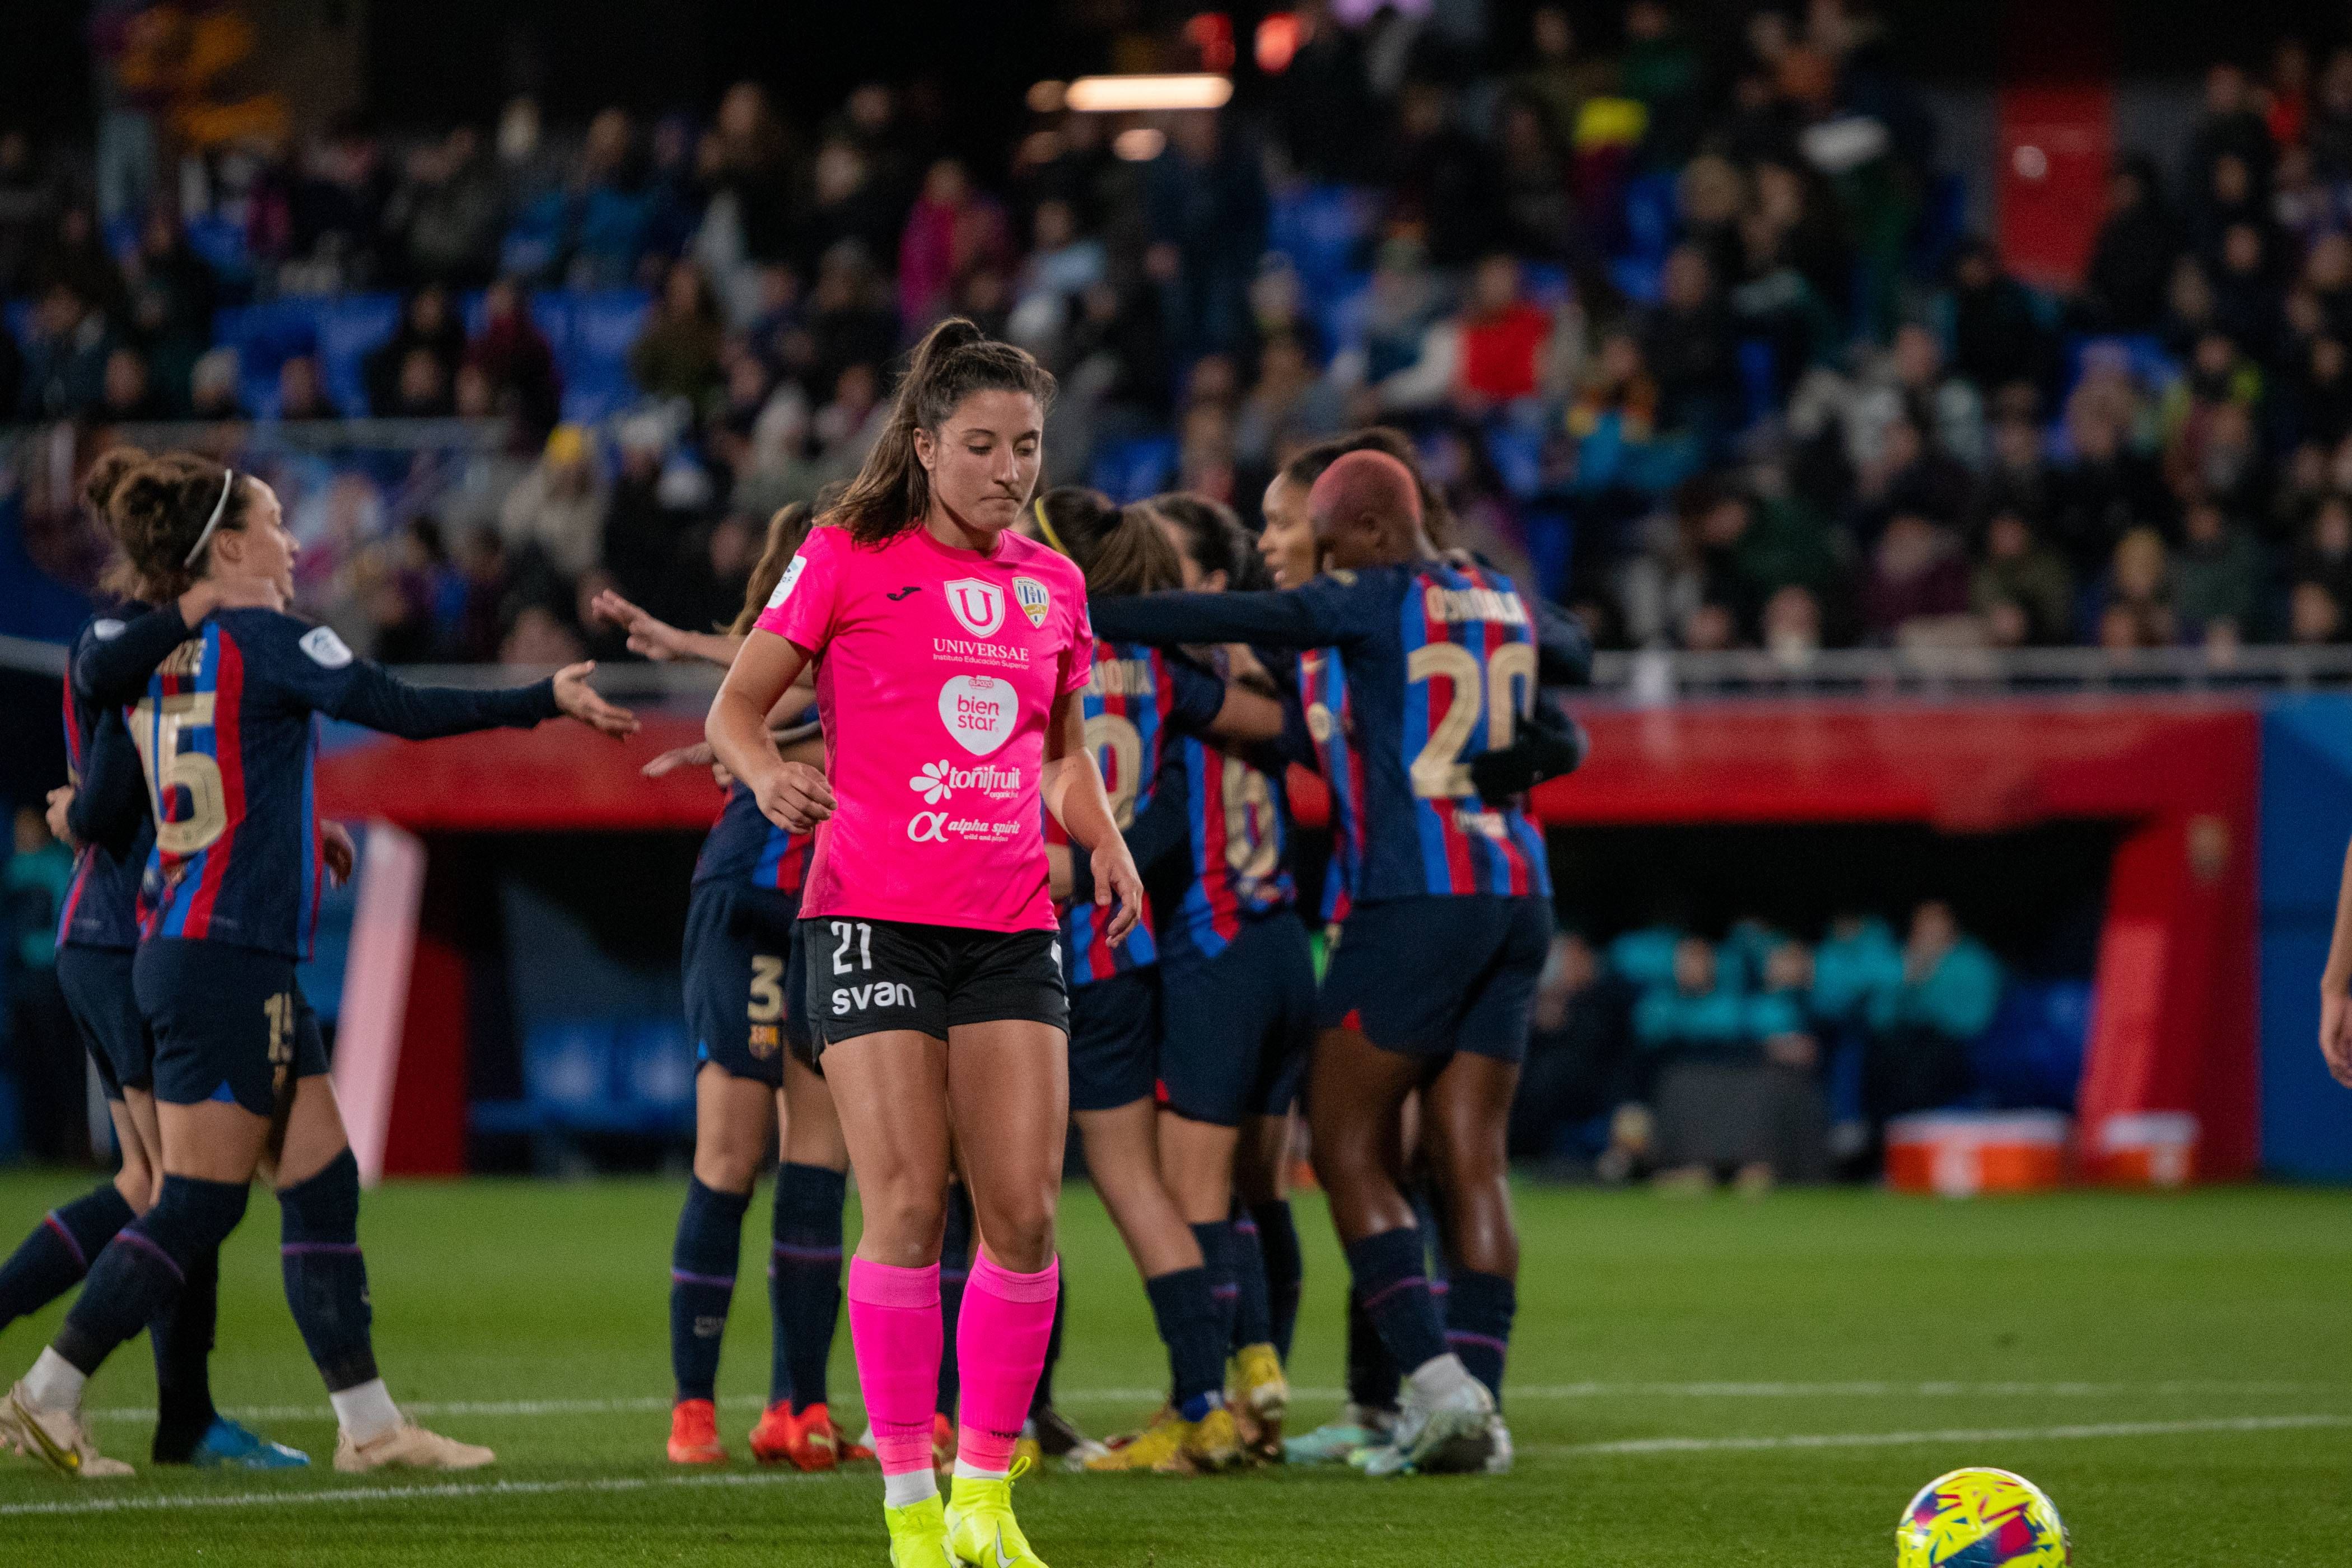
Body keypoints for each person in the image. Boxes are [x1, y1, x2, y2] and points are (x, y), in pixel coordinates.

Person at [0, 447, 636, 1479]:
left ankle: (371, 1426)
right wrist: (540, 699)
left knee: (322, 1177)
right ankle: (48, 1392)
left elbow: (118, 800)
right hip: (221, 956)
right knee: (194, 1198)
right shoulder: (270, 641)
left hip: (206, 946)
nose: (294, 543)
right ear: (234, 545)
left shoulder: (152, 661)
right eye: (275, 524)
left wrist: (293, 830)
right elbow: (400, 708)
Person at [705, 320, 1142, 1568]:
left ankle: (987, 1495)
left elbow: (1059, 753)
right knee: (903, 1199)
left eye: (1030, 447)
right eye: (986, 445)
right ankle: (907, 1497)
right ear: (924, 444)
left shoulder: (1053, 585)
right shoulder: (845, 558)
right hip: (869, 917)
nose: (1011, 469)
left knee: (1022, 1218)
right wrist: (762, 777)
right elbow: (740, 706)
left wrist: (1102, 839)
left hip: (1010, 920)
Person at [1089, 448, 1589, 1477]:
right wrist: (1540, 756)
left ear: (1357, 528)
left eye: (1299, 524)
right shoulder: (1488, 593)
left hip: (1409, 901)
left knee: (1347, 1144)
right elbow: (1565, 683)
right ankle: (1469, 1416)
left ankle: (1441, 1391)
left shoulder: (1361, 606)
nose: (1292, 545)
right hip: (1516, 890)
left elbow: (1246, 625)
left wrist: (1086, 612)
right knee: (1467, 1159)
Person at [2, 558, 306, 1471]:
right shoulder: (149, 651)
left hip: (109, 936)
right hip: (129, 933)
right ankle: (133, 1410)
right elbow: (107, 801)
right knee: (177, 1189)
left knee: (159, 1181)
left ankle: (184, 1416)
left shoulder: (127, 645)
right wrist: (81, 811)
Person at [596, 507, 866, 1472]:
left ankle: (798, 1406)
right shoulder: (803, 642)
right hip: (751, 902)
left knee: (819, 1163)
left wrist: (689, 651)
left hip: (830, 912)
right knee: (729, 1154)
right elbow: (770, 680)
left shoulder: (863, 642)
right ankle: (694, 1411)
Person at [1028, 487, 1286, 1477]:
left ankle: (983, 1420)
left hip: (1023, 943)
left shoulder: (1028, 652)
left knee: (989, 1197)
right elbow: (1264, 720)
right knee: (1139, 1188)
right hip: (1123, 951)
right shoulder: (1162, 670)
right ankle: (1205, 1406)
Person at [1126, 492, 1315, 1459]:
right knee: (1256, 1187)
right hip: (1284, 943)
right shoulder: (1258, 681)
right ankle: (1255, 1390)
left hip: (1216, 946)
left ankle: (1215, 1396)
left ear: (1203, 584)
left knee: (1190, 1191)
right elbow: (1299, 735)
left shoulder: (1163, 678)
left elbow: (1158, 825)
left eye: (1158, 557)